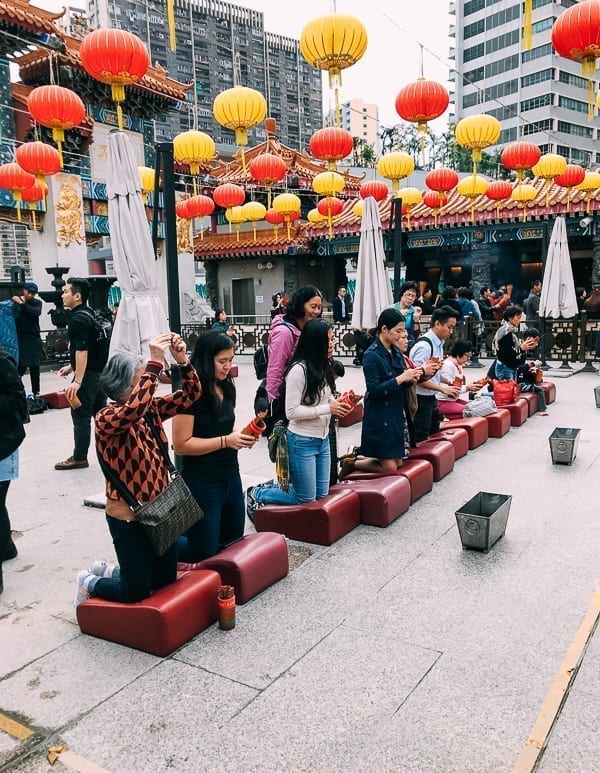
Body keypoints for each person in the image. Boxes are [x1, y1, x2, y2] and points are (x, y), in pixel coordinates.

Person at [73, 333, 201, 606]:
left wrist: (181, 361)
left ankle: (113, 571)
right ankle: (89, 581)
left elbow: (191, 396)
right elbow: (131, 410)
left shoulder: (149, 408)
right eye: (140, 382)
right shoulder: (106, 418)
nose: (150, 388)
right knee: (135, 592)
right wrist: (154, 363)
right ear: (120, 386)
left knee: (165, 581)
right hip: (128, 517)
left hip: (160, 509)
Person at [247, 319, 351, 514]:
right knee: (304, 498)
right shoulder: (298, 370)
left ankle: (275, 488)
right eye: (328, 341)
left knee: (321, 495)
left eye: (333, 339)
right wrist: (328, 409)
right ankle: (259, 493)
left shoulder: (324, 367)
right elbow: (291, 412)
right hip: (301, 441)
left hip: (323, 440)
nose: (333, 343)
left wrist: (338, 404)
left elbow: (324, 401)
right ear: (315, 342)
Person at [172, 331, 256, 562]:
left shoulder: (227, 387)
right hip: (202, 481)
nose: (228, 366)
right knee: (202, 551)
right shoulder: (189, 390)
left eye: (230, 360)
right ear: (207, 358)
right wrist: (225, 441)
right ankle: (151, 547)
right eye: (222, 361)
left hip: (230, 474)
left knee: (232, 541)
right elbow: (181, 444)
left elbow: (224, 428)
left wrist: (239, 435)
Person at [339, 310, 422, 479]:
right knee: (390, 467)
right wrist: (400, 379)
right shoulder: (371, 355)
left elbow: (402, 377)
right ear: (384, 329)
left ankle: (355, 458)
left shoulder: (396, 351)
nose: (401, 335)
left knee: (398, 462)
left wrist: (412, 378)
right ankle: (352, 464)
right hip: (379, 414)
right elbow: (374, 389)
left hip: (395, 411)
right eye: (398, 331)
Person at [55, 278, 107, 470]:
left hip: (88, 376)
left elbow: (82, 350)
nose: (62, 295)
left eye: (66, 291)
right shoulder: (89, 313)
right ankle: (108, 453)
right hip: (99, 374)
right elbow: (86, 347)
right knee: (100, 416)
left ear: (77, 296)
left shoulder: (77, 318)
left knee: (80, 416)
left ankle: (79, 457)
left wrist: (77, 380)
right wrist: (71, 366)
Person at [260, 285, 322, 423]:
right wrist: (275, 405)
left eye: (319, 307)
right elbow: (275, 370)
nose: (317, 311)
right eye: (313, 306)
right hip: (286, 398)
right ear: (300, 306)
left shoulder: (305, 327)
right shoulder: (284, 333)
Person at [0, 347, 28, 595]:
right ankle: (5, 546)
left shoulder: (2, 361)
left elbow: (17, 399)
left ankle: (6, 547)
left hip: (5, 441)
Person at [409, 306, 459, 442]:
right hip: (420, 398)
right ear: (437, 324)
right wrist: (443, 388)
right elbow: (417, 378)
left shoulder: (439, 343)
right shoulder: (424, 347)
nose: (451, 331)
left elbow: (433, 373)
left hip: (431, 397)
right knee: (420, 437)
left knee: (434, 430)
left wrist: (448, 382)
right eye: (449, 327)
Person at [436, 340, 485, 419]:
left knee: (475, 409)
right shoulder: (448, 366)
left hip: (453, 400)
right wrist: (467, 388)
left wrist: (470, 386)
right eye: (467, 356)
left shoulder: (458, 365)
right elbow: (446, 390)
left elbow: (457, 385)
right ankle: (443, 417)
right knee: (470, 412)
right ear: (459, 354)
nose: (468, 359)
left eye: (470, 356)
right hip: (442, 401)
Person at [12, 282, 43, 397]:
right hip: (21, 338)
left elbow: (35, 313)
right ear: (24, 290)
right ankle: (17, 390)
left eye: (33, 293)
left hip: (33, 338)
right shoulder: (15, 302)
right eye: (28, 292)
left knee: (35, 367)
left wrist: (21, 303)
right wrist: (18, 303)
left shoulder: (37, 303)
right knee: (20, 366)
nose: (30, 295)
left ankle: (36, 392)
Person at [492, 306, 538, 381]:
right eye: (518, 318)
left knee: (512, 390)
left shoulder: (512, 331)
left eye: (520, 318)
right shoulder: (506, 332)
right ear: (510, 318)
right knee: (507, 391)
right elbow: (506, 352)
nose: (519, 321)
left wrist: (522, 349)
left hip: (510, 367)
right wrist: (521, 349)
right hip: (505, 368)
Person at [393, 282, 422, 346]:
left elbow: (416, 335)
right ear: (402, 294)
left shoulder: (414, 311)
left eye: (413, 296)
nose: (410, 298)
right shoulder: (392, 309)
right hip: (393, 342)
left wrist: (416, 319)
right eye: (408, 294)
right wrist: (398, 315)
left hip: (408, 344)